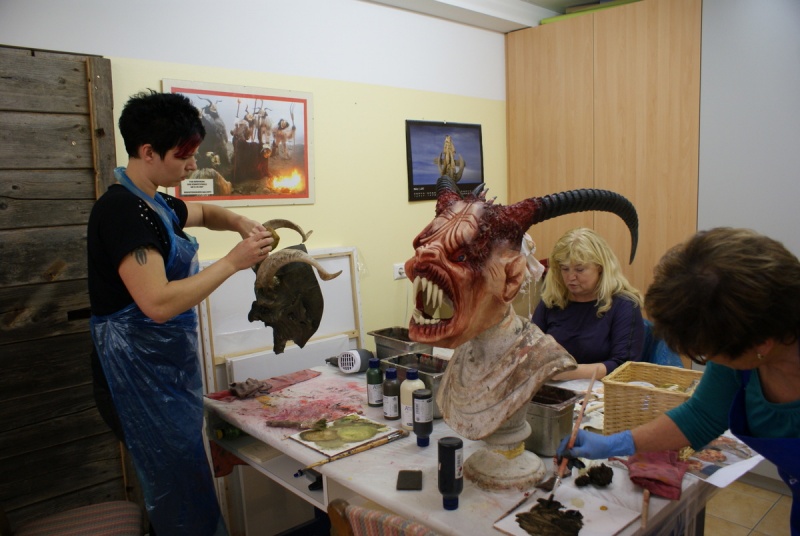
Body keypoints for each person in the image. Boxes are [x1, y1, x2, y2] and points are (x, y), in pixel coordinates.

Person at [88, 90, 274, 536]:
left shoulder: (154, 202)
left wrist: (239, 222)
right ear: (147, 152)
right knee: (178, 495)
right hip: (135, 379)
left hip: (165, 371)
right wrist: (233, 261)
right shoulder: (122, 211)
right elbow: (158, 304)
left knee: (187, 479)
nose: (192, 166)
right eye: (183, 156)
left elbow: (205, 211)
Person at [557, 227, 800, 534]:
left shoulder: (746, 339)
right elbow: (702, 415)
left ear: (762, 343)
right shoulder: (747, 350)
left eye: (709, 353)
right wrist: (617, 443)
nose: (710, 360)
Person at [532, 227, 644, 380]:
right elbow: (531, 351)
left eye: (580, 269)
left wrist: (566, 372)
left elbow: (625, 366)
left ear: (600, 268)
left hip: (602, 391)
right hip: (552, 387)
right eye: (565, 269)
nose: (571, 277)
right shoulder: (551, 302)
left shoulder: (624, 305)